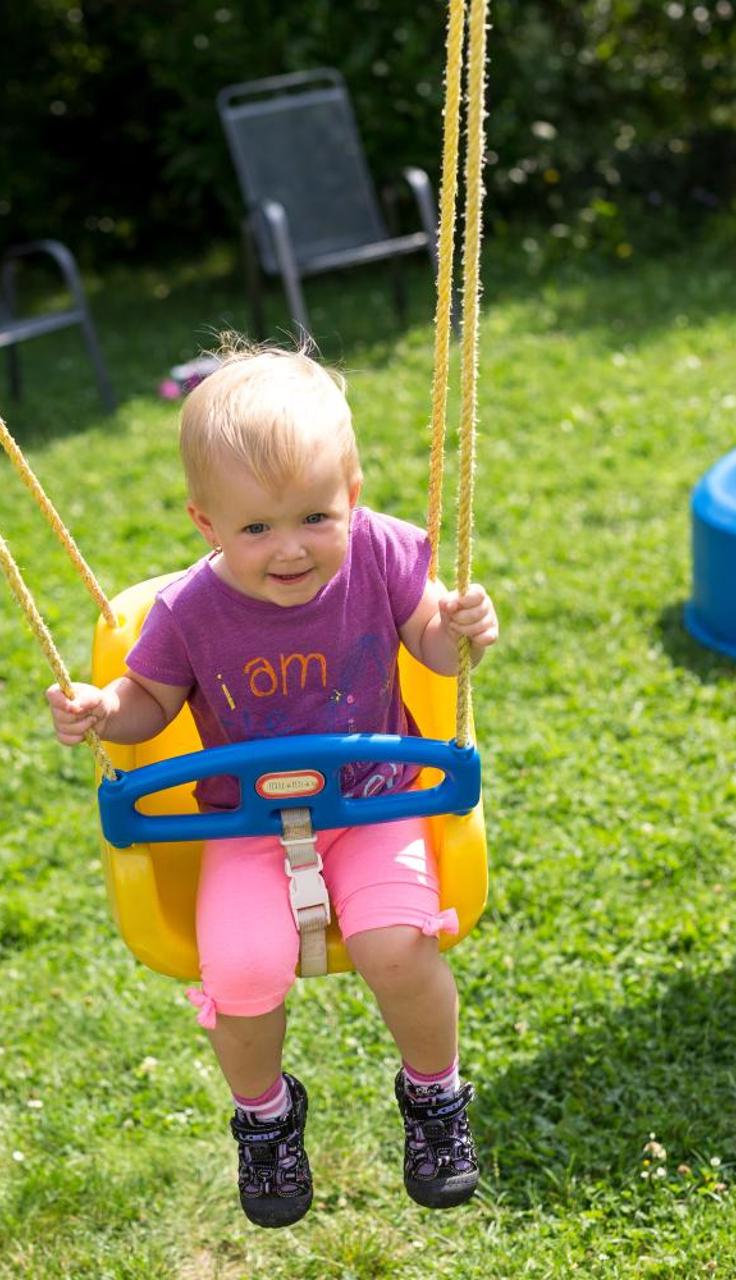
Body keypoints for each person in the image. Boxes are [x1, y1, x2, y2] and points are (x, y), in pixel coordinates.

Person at [45, 344, 500, 1227]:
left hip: (377, 800)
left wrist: (463, 628)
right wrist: (104, 709)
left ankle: (436, 1099)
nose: (289, 549)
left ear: (354, 493)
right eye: (256, 529)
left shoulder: (382, 555)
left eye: (314, 517)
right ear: (206, 523)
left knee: (396, 946)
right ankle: (264, 1119)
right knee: (243, 971)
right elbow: (149, 705)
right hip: (249, 827)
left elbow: (436, 654)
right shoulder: (188, 612)